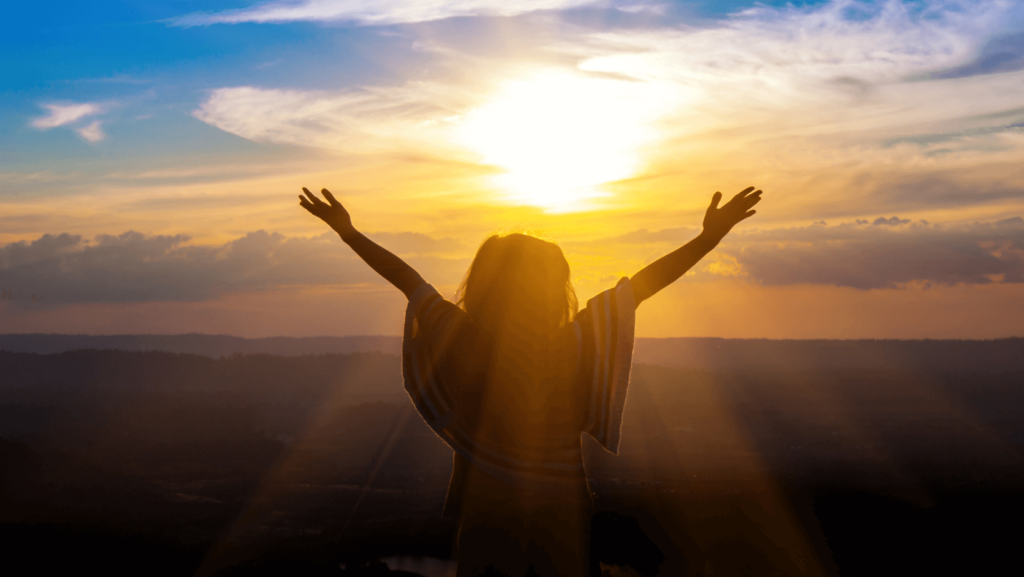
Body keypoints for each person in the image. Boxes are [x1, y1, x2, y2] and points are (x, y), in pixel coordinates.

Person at [298, 185, 763, 577]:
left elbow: (409, 279)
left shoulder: (462, 339)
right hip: (560, 509)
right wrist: (707, 239)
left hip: (486, 510)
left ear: (486, 284)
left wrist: (349, 232)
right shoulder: (574, 342)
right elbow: (641, 286)